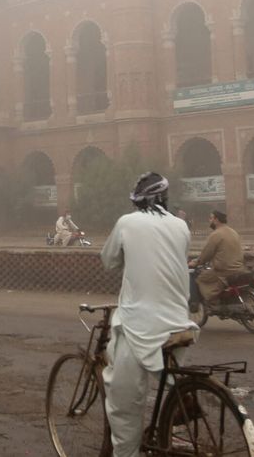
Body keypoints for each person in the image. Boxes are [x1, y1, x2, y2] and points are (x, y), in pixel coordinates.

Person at [100, 173, 199, 457]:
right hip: (180, 322)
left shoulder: (127, 223)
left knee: (124, 404)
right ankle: (179, 400)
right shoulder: (181, 226)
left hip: (138, 325)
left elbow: (108, 260)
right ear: (165, 199)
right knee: (168, 377)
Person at [189, 210, 249, 305]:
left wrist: (195, 262)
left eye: (211, 218)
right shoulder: (233, 232)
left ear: (216, 220)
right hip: (239, 269)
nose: (209, 221)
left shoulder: (216, 234)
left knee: (199, 278)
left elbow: (206, 254)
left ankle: (210, 300)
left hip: (223, 271)